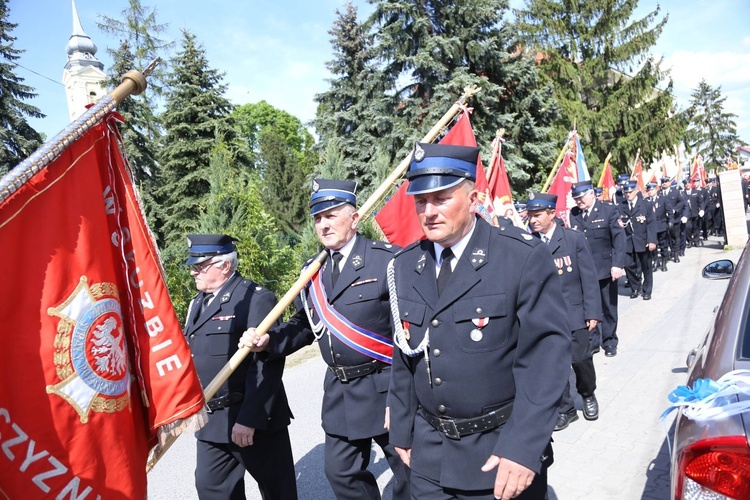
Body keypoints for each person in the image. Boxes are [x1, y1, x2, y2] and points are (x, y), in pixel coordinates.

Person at [387, 142, 571, 500]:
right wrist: (401, 431)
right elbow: (404, 357)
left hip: (499, 454)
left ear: (472, 199)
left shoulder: (520, 257)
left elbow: (546, 362)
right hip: (429, 454)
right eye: (421, 201)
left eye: (441, 198)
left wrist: (523, 447)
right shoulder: (407, 265)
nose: (429, 211)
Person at [240, 179, 409, 500]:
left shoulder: (387, 260)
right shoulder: (311, 272)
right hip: (341, 393)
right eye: (318, 218)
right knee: (341, 472)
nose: (324, 224)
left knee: (408, 472)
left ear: (355, 219)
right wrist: (267, 341)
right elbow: (304, 326)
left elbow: (408, 328)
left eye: (332, 215)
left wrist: (404, 393)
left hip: (386, 386)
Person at [183, 234, 297, 500]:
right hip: (211, 421)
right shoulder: (197, 303)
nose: (193, 272)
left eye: (200, 266)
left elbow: (266, 365)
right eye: (193, 266)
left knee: (278, 492)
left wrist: (249, 419)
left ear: (224, 265)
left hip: (251, 420)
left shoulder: (255, 298)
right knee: (212, 490)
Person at [527, 192, 601, 432]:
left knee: (580, 360)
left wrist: (592, 313)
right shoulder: (529, 242)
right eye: (530, 215)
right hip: (545, 317)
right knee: (554, 365)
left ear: (551, 213)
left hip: (573, 313)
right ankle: (566, 409)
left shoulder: (573, 239)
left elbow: (589, 279)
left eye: (537, 215)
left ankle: (588, 395)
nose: (533, 220)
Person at [618, 181, 657, 300]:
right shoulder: (621, 206)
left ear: (636, 191)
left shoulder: (646, 205)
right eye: (626, 192)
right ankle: (635, 286)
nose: (628, 194)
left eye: (630, 192)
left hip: (643, 240)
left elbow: (651, 224)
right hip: (628, 241)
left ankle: (647, 290)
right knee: (628, 265)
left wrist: (652, 241)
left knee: (646, 267)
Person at [659, 177, 684, 263]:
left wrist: (675, 209)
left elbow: (682, 202)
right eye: (663, 182)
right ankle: (666, 255)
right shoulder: (659, 193)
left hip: (674, 218)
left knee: (675, 237)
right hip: (663, 220)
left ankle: (675, 254)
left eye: (666, 181)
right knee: (665, 238)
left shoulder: (675, 192)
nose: (664, 183)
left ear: (670, 182)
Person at [645, 183, 669, 272]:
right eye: (649, 190)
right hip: (651, 227)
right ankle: (655, 261)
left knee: (663, 245)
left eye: (652, 190)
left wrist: (670, 222)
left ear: (656, 190)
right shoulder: (646, 200)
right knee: (653, 246)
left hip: (661, 225)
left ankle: (663, 261)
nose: (650, 192)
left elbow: (669, 210)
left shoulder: (663, 199)